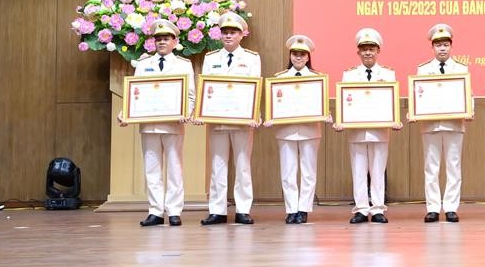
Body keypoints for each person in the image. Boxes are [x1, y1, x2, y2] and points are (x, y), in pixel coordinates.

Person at [118, 19, 195, 227]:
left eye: (166, 38)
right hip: (149, 124)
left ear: (175, 41)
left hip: (173, 124)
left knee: (174, 168)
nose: (162, 42)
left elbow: (190, 96)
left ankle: (174, 211)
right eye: (158, 38)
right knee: (151, 169)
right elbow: (134, 93)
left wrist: (186, 112)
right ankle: (155, 211)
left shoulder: (183, 65)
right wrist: (125, 113)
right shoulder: (143, 64)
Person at [198, 12, 261, 226]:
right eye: (225, 32)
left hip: (243, 121)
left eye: (233, 32)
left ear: (242, 35)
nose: (228, 36)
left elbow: (255, 89)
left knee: (242, 165)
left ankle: (243, 209)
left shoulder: (252, 58)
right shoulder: (211, 58)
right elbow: (205, 89)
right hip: (217, 120)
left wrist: (254, 113)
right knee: (217, 165)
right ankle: (217, 210)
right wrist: (202, 112)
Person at [336, 28, 402, 224]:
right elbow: (345, 102)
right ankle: (362, 210)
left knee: (378, 170)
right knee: (358, 170)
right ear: (358, 51)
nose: (367, 52)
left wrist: (395, 119)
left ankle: (378, 208)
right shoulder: (349, 75)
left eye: (371, 49)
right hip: (356, 131)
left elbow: (391, 101)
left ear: (378, 50)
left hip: (380, 131)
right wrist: (341, 120)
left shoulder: (388, 74)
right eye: (364, 49)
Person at [266, 35, 329, 224]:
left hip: (310, 131)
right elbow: (274, 104)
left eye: (302, 54)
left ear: (308, 56)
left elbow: (322, 105)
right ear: (290, 55)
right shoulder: (279, 79)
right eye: (295, 53)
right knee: (288, 172)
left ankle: (303, 209)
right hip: (286, 131)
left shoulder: (318, 79)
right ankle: (291, 209)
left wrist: (326, 114)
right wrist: (270, 116)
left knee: (308, 172)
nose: (298, 57)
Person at [414, 24, 473, 223]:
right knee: (431, 167)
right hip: (430, 124)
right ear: (432, 47)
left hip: (454, 123)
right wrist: (414, 110)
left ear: (451, 46)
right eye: (438, 45)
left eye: (446, 44)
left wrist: (470, 110)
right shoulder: (423, 69)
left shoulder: (461, 68)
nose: (442, 48)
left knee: (453, 166)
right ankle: (432, 207)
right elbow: (418, 95)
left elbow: (468, 94)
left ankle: (450, 207)